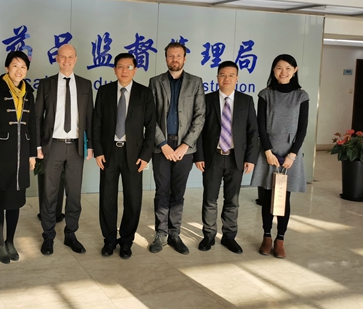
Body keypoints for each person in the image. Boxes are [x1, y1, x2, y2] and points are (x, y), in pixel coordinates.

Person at [93, 53, 155, 259]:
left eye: (129, 67)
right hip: (109, 153)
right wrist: (98, 151)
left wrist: (146, 155)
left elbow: (151, 127)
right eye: (120, 66)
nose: (124, 70)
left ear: (135, 70)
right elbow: (97, 123)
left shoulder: (145, 93)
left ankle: (127, 241)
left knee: (133, 200)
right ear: (114, 69)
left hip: (134, 155)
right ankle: (109, 240)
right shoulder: (104, 91)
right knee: (107, 199)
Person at [34, 44, 93, 256]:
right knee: (49, 193)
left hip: (76, 147)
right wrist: (38, 146)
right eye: (63, 57)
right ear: (57, 59)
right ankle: (48, 235)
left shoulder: (85, 84)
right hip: (53, 146)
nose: (66, 61)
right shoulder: (46, 84)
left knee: (74, 194)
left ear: (75, 59)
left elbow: (90, 117)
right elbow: (37, 117)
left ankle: (71, 234)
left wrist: (90, 145)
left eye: (70, 57)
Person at [194, 61, 258, 254]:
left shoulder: (246, 101)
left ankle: (229, 236)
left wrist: (251, 158)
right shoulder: (206, 99)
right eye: (223, 75)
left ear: (237, 78)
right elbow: (199, 130)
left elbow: (252, 132)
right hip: (212, 157)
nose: (227, 78)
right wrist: (199, 156)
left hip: (235, 158)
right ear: (217, 78)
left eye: (231, 75)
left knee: (232, 200)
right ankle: (209, 235)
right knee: (210, 199)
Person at [148, 42, 205, 255]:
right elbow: (150, 116)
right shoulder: (155, 82)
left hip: (184, 149)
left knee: (178, 192)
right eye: (171, 56)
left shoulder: (195, 82)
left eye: (178, 56)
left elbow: (200, 116)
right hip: (161, 147)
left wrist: (185, 144)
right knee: (162, 191)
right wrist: (162, 144)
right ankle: (160, 234)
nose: (174, 59)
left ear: (184, 58)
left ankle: (175, 233)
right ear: (166, 58)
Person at [250, 54, 309, 259]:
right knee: (266, 196)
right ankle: (267, 237)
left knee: (285, 197)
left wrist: (292, 155)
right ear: (273, 70)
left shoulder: (302, 96)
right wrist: (267, 151)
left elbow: (302, 129)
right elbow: (260, 126)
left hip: (290, 154)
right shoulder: (265, 94)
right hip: (268, 152)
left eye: (287, 68)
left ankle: (280, 239)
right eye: (278, 68)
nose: (283, 72)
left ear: (295, 70)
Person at [0, 51, 37, 264]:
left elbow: (32, 125)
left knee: (15, 202)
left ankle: (10, 241)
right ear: (7, 68)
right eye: (15, 65)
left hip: (22, 155)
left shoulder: (29, 93)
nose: (19, 70)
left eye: (23, 67)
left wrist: (32, 154)